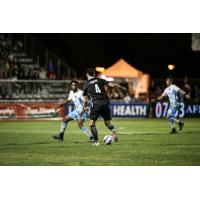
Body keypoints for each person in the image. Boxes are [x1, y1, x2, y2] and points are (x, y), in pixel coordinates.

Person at [83, 68, 126, 146]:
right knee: (107, 122)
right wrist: (118, 86)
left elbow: (85, 100)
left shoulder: (86, 84)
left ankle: (96, 142)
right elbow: (111, 84)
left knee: (92, 123)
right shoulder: (100, 80)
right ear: (94, 74)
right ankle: (114, 132)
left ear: (87, 74)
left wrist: (85, 107)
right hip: (105, 102)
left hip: (96, 103)